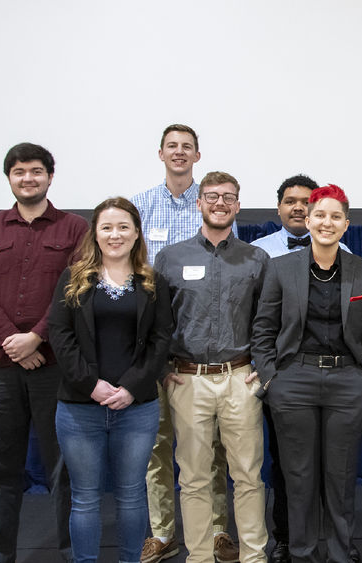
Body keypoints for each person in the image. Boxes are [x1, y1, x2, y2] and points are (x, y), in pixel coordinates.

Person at [251, 185, 362, 563]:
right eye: (320, 215)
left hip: (349, 383)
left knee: (341, 477)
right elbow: (263, 331)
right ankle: (303, 553)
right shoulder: (280, 269)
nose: (327, 223)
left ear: (346, 225)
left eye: (335, 217)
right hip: (293, 381)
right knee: (298, 477)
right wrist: (270, 380)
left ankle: (342, 553)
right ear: (308, 220)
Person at [0, 142, 86, 562]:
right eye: (19, 172)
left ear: (50, 176)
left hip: (54, 366)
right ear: (9, 178)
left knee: (63, 467)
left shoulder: (74, 229)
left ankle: (72, 550)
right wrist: (11, 342)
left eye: (36, 171)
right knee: (1, 466)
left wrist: (37, 336)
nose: (28, 178)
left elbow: (78, 289)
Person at [130, 124, 236, 563]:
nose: (179, 153)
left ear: (197, 155)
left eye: (186, 147)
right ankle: (162, 532)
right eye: (171, 146)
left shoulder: (212, 205)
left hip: (198, 350)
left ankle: (215, 533)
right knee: (158, 445)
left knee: (207, 448)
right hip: (150, 345)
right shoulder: (139, 206)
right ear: (160, 154)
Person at [48, 198, 173, 563]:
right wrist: (92, 384)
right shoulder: (73, 278)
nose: (115, 234)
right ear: (95, 234)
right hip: (79, 407)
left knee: (132, 494)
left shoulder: (153, 282)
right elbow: (60, 335)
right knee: (85, 496)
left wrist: (131, 387)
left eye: (123, 227)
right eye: (107, 227)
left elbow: (161, 339)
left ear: (136, 233)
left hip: (137, 408)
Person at [154, 171, 269, 563]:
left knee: (249, 477)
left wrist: (263, 369)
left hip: (241, 378)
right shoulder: (170, 258)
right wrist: (163, 368)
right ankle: (199, 557)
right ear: (199, 203)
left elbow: (267, 321)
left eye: (228, 198)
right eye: (212, 196)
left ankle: (254, 556)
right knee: (194, 479)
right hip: (187, 380)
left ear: (237, 206)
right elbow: (157, 322)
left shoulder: (257, 259)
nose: (220, 203)